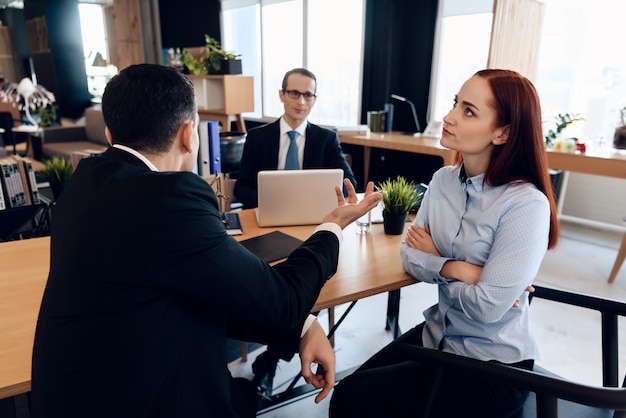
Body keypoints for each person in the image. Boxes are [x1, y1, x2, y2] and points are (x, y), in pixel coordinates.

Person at [30, 63, 382, 418]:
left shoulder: (83, 182)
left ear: (109, 134)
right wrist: (333, 225)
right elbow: (283, 301)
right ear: (188, 134)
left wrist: (304, 327)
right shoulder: (169, 199)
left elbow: (193, 287)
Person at [329, 69, 560, 418]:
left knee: (353, 400)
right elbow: (409, 255)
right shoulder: (443, 181)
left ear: (503, 132)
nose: (449, 117)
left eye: (469, 111)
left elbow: (487, 309)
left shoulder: (525, 205)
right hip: (437, 337)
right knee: (346, 393)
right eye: (455, 103)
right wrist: (459, 269)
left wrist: (436, 261)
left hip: (492, 365)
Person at [233, 67, 356, 209]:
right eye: (294, 93)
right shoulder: (257, 137)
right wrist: (272, 205)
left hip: (311, 212)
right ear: (281, 95)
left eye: (308, 95)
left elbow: (349, 183)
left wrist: (319, 200)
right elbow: (241, 188)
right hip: (268, 211)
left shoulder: (326, 139)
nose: (301, 102)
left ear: (314, 100)